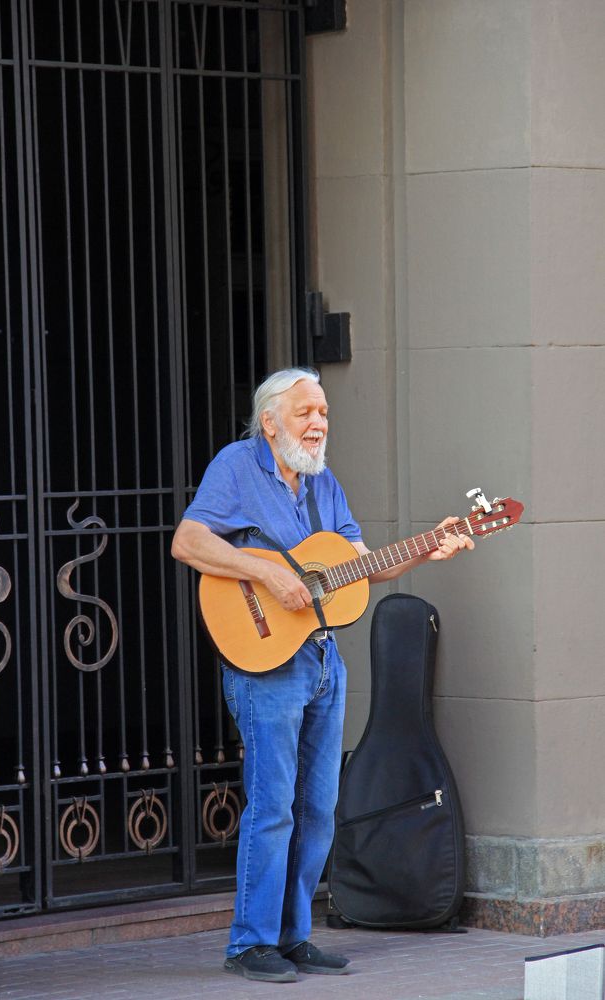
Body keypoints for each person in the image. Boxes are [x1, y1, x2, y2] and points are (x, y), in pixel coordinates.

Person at [171, 367, 474, 983]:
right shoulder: (236, 467)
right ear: (270, 421)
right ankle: (249, 943)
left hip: (321, 660)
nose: (319, 425)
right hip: (264, 666)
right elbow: (188, 541)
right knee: (273, 806)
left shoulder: (322, 484)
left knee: (319, 807)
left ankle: (293, 936)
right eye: (307, 413)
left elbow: (361, 566)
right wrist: (264, 574)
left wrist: (426, 546)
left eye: (324, 414)